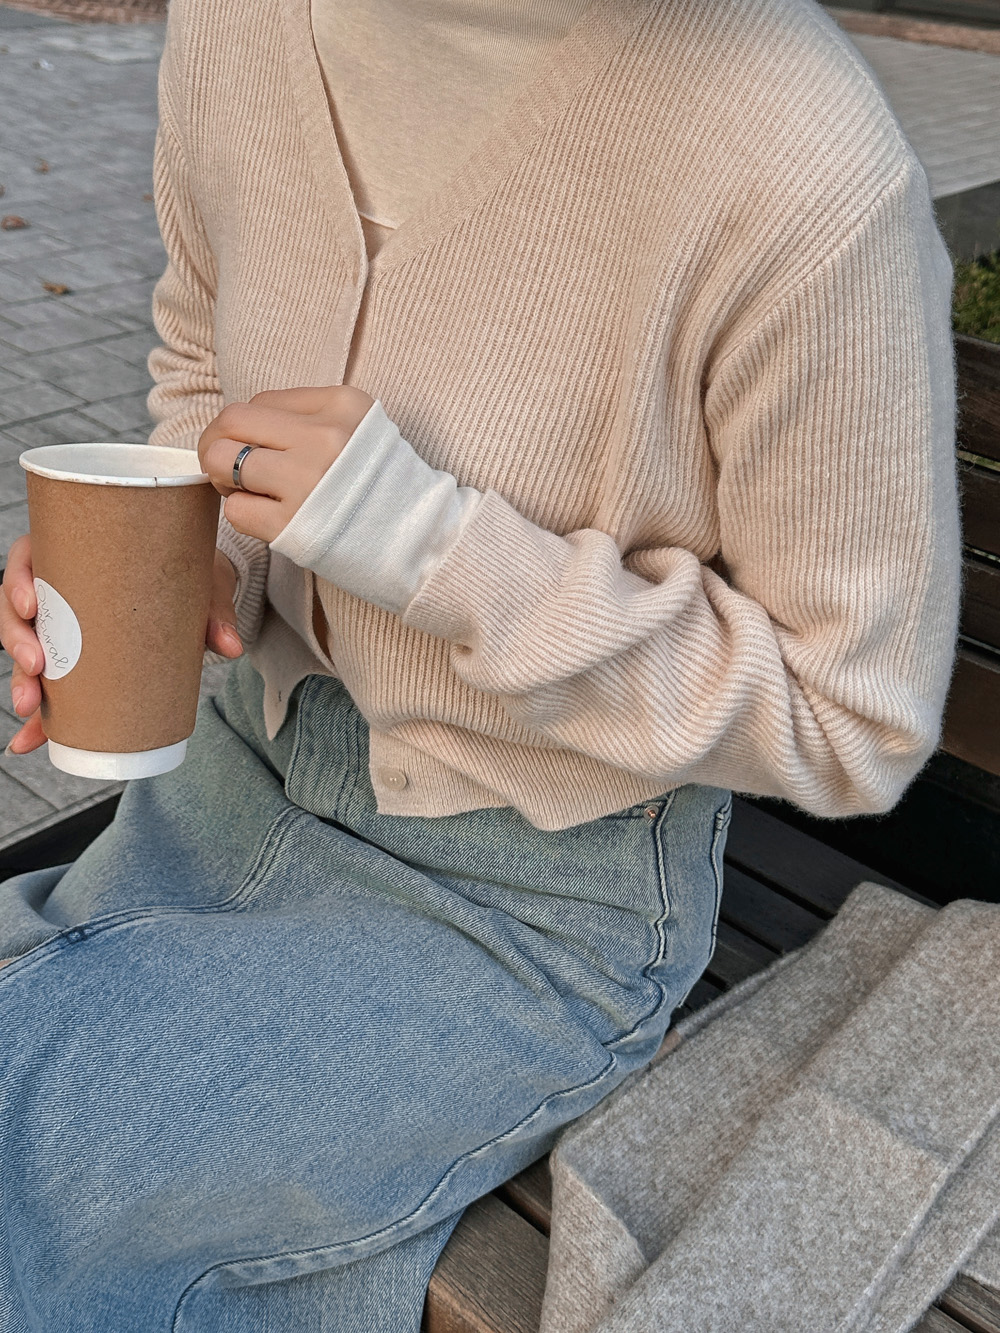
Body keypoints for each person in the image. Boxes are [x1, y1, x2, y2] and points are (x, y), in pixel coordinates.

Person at [0, 0, 962, 1327]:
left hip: (530, 903)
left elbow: (854, 717)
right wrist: (189, 556)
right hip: (221, 781)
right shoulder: (239, 20)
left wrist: (435, 549)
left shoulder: (798, 154)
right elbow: (202, 366)